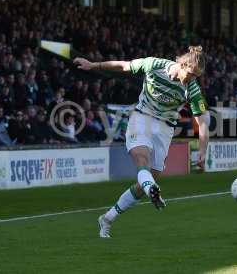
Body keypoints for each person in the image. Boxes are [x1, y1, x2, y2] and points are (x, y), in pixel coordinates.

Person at [73, 46, 210, 238]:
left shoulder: (192, 88)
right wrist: (93, 64)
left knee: (147, 178)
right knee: (141, 159)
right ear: (181, 64)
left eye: (196, 76)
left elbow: (202, 121)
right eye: (190, 73)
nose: (191, 79)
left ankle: (108, 218)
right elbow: (123, 66)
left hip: (165, 129)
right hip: (142, 118)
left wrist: (203, 150)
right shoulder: (154, 65)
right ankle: (151, 189)